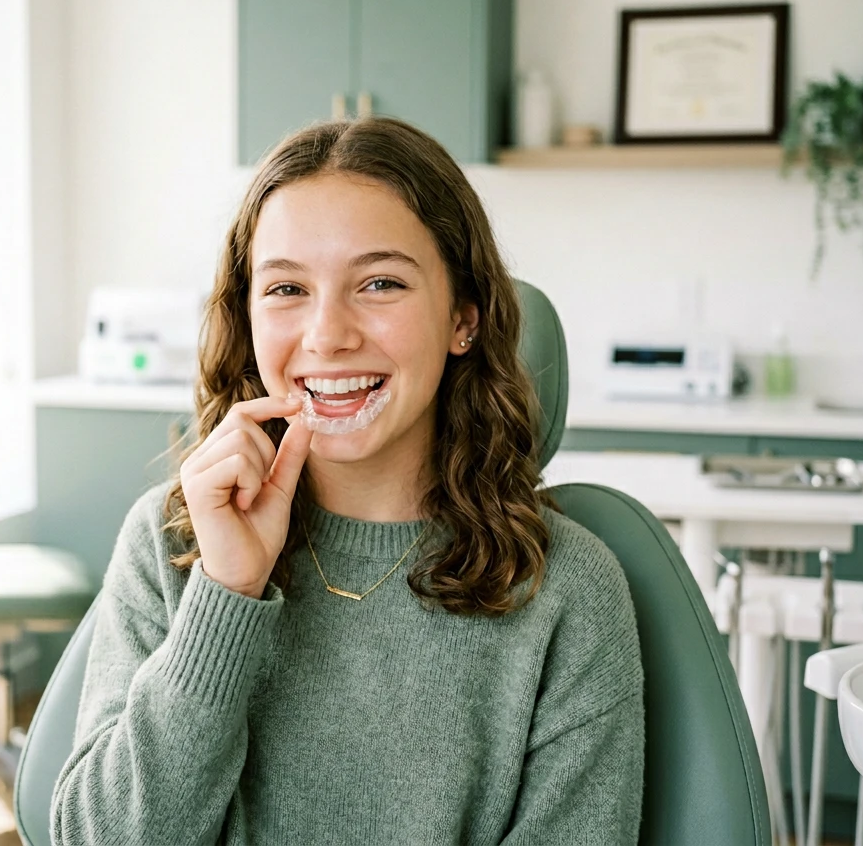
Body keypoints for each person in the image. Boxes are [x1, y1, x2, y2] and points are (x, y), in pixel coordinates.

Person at [51, 117, 644, 845]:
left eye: (380, 283)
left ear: (463, 318)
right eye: (287, 288)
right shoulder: (171, 541)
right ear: (248, 315)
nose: (327, 335)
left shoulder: (568, 590)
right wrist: (226, 595)